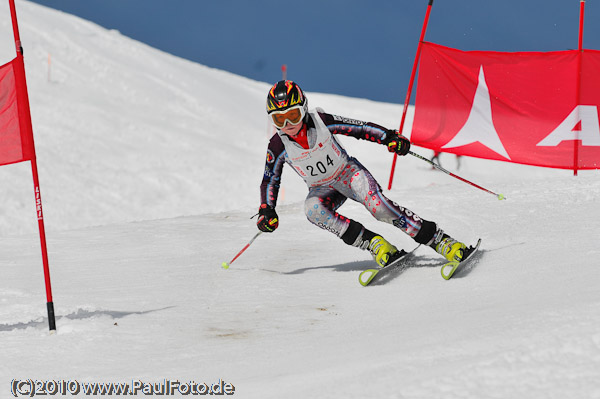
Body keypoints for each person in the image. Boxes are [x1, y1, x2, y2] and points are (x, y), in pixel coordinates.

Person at [257, 80, 473, 268]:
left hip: (348, 174)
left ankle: (441, 241)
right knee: (313, 210)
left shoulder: (321, 121)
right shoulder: (278, 145)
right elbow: (270, 180)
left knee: (379, 209)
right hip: (322, 189)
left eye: (293, 115)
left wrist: (388, 137)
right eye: (279, 119)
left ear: (303, 110)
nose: (288, 125)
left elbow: (359, 128)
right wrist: (267, 210)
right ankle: (376, 245)